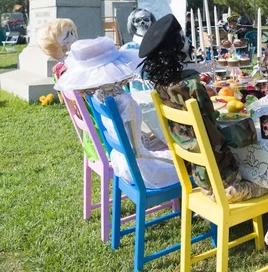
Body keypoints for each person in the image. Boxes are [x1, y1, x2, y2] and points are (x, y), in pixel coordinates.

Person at [139, 14, 268, 203]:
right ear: (176, 46)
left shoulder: (161, 87)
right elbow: (213, 137)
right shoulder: (191, 85)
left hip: (201, 179)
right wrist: (249, 130)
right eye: (183, 38)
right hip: (226, 183)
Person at [54, 36, 179, 190]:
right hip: (144, 171)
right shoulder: (123, 102)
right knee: (190, 158)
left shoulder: (99, 97)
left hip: (122, 164)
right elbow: (136, 150)